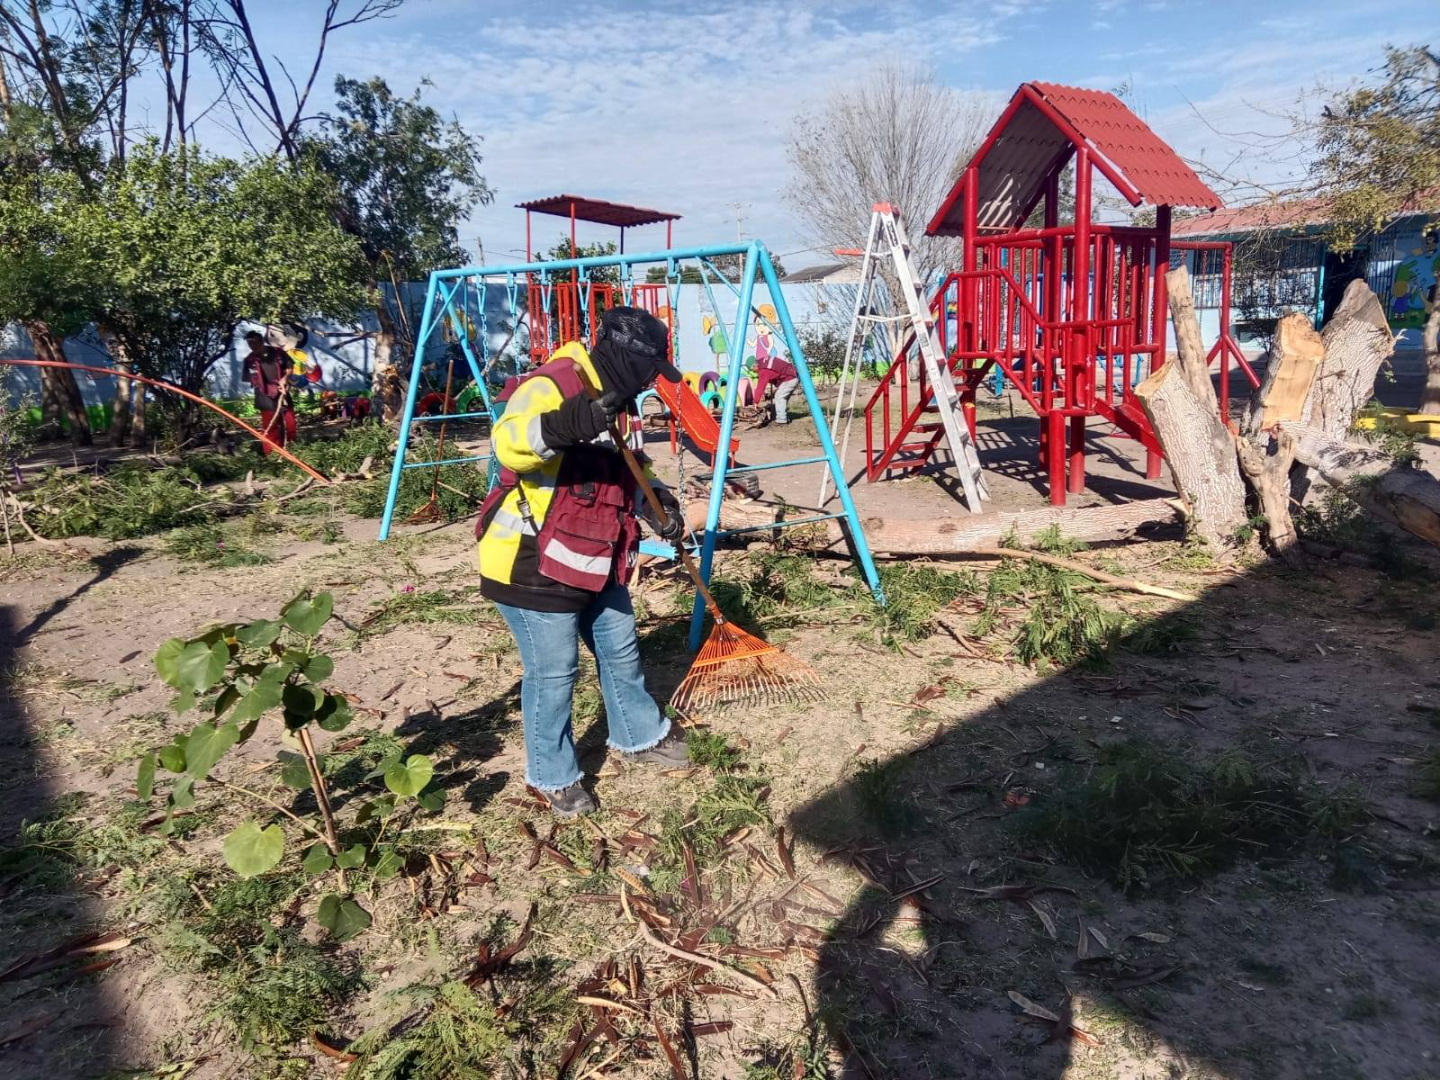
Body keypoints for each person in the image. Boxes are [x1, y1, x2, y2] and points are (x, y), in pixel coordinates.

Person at [477, 307, 691, 817]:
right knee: (554, 672)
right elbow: (508, 444)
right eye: (648, 372)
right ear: (624, 358)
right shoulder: (552, 384)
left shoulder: (623, 403)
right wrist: (572, 421)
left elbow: (628, 468)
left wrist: (656, 503)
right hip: (532, 560)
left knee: (620, 649)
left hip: (595, 553)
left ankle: (638, 734)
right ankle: (552, 774)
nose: (650, 383)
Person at [244, 331, 297, 454]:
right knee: (270, 428)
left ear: (261, 341)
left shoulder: (278, 353)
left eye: (254, 343)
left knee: (290, 424)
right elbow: (252, 380)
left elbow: (289, 367)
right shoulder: (250, 360)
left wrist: (285, 379)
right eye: (250, 344)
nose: (252, 347)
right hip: (264, 397)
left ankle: (293, 451)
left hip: (282, 393)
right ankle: (271, 455)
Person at [753, 326, 799, 425]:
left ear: (754, 365)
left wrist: (755, 402)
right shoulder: (764, 362)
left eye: (753, 370)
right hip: (789, 376)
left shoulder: (764, 370)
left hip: (790, 378)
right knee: (781, 397)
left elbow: (760, 387)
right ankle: (782, 416)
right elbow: (776, 373)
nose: (755, 372)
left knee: (779, 397)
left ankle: (781, 420)